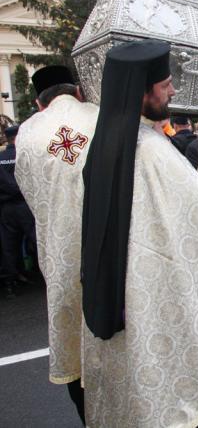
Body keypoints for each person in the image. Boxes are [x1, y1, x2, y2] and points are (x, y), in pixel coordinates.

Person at [80, 39, 198, 426]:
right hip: (159, 296)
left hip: (127, 298)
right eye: (165, 83)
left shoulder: (105, 142)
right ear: (143, 90)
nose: (171, 90)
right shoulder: (150, 150)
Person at [14, 64, 96, 423]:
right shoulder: (98, 117)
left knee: (75, 346)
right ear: (78, 90)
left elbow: (30, 193)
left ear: (38, 102)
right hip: (106, 255)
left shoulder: (28, 134)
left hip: (60, 257)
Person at [0, 124, 36, 298]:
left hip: (6, 209)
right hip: (25, 204)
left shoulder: (1, 157)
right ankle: (42, 276)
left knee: (9, 246)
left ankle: (10, 283)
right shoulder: (24, 155)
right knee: (36, 240)